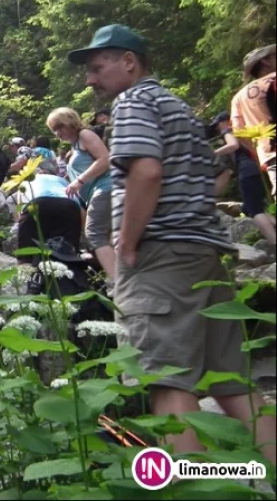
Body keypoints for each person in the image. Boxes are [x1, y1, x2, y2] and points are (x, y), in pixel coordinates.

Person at [69, 23, 275, 465]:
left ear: (129, 62)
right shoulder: (175, 105)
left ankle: (194, 489)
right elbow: (210, 177)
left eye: (97, 67)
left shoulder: (134, 101)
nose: (90, 80)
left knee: (167, 382)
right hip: (204, 252)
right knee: (231, 382)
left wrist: (125, 243)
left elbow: (146, 172)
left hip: (161, 255)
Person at [47, 107, 117, 281]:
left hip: (105, 188)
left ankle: (118, 282)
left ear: (70, 121)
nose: (58, 132)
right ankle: (120, 276)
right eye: (54, 129)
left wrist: (79, 181)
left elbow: (105, 159)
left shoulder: (85, 135)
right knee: (110, 236)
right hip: (96, 193)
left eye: (60, 126)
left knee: (93, 233)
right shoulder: (74, 147)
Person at [210, 112, 276, 245]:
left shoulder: (228, 130)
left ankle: (274, 241)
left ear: (225, 121)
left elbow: (233, 145)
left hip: (246, 171)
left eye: (218, 125)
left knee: (254, 210)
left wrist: (212, 154)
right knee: (253, 207)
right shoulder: (242, 130)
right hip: (256, 169)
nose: (218, 128)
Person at [231, 43, 276, 197]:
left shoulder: (239, 97)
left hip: (270, 155)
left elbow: (239, 132)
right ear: (265, 62)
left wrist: (259, 151)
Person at [12, 172, 83, 264]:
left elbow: (20, 209)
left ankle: (26, 270)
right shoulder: (62, 180)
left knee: (26, 253)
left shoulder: (25, 181)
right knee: (68, 251)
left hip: (38, 203)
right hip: (69, 205)